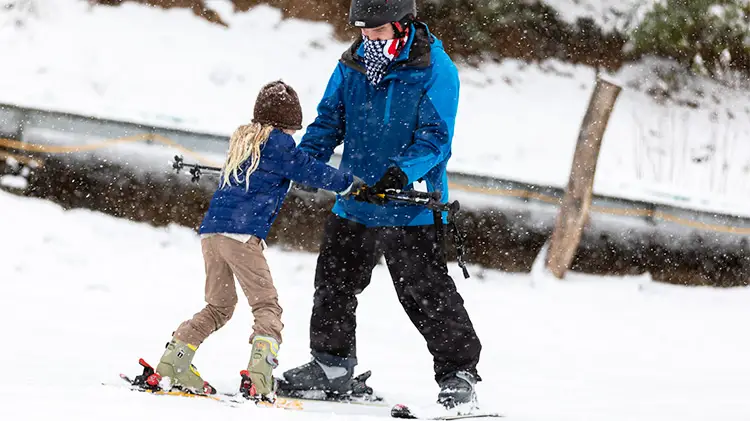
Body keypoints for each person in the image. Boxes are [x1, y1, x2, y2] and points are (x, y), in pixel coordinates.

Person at [280, 0, 483, 409]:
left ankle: (458, 373)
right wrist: (303, 162)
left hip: (410, 204)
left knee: (425, 293)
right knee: (334, 285)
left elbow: (435, 137)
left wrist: (400, 172)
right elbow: (328, 122)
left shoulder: (435, 69)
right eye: (362, 30)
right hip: (354, 200)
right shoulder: (352, 63)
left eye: (376, 30)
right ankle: (331, 365)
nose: (367, 38)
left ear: (401, 24)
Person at [152, 80, 365, 400]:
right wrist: (350, 185)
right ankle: (260, 375)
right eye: (293, 130)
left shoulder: (245, 143)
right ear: (286, 124)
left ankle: (173, 362)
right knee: (267, 307)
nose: (292, 136)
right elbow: (309, 169)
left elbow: (277, 174)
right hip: (240, 236)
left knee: (219, 306)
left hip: (212, 234)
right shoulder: (279, 145)